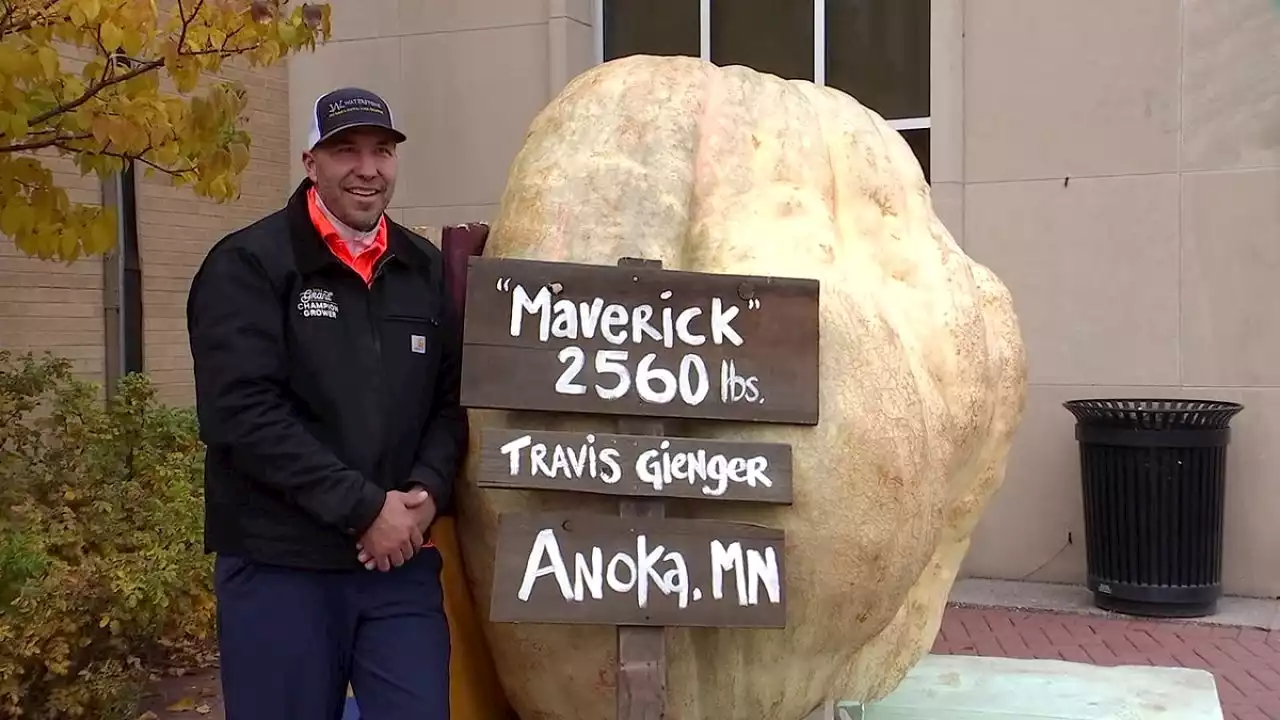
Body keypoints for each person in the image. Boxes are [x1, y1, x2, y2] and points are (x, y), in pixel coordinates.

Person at [186, 86, 467, 720]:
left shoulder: (420, 268)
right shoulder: (249, 265)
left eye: (382, 151)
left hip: (398, 569)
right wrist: (365, 509)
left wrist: (426, 491)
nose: (367, 169)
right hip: (280, 567)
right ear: (311, 161)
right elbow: (241, 415)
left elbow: (450, 404)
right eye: (346, 150)